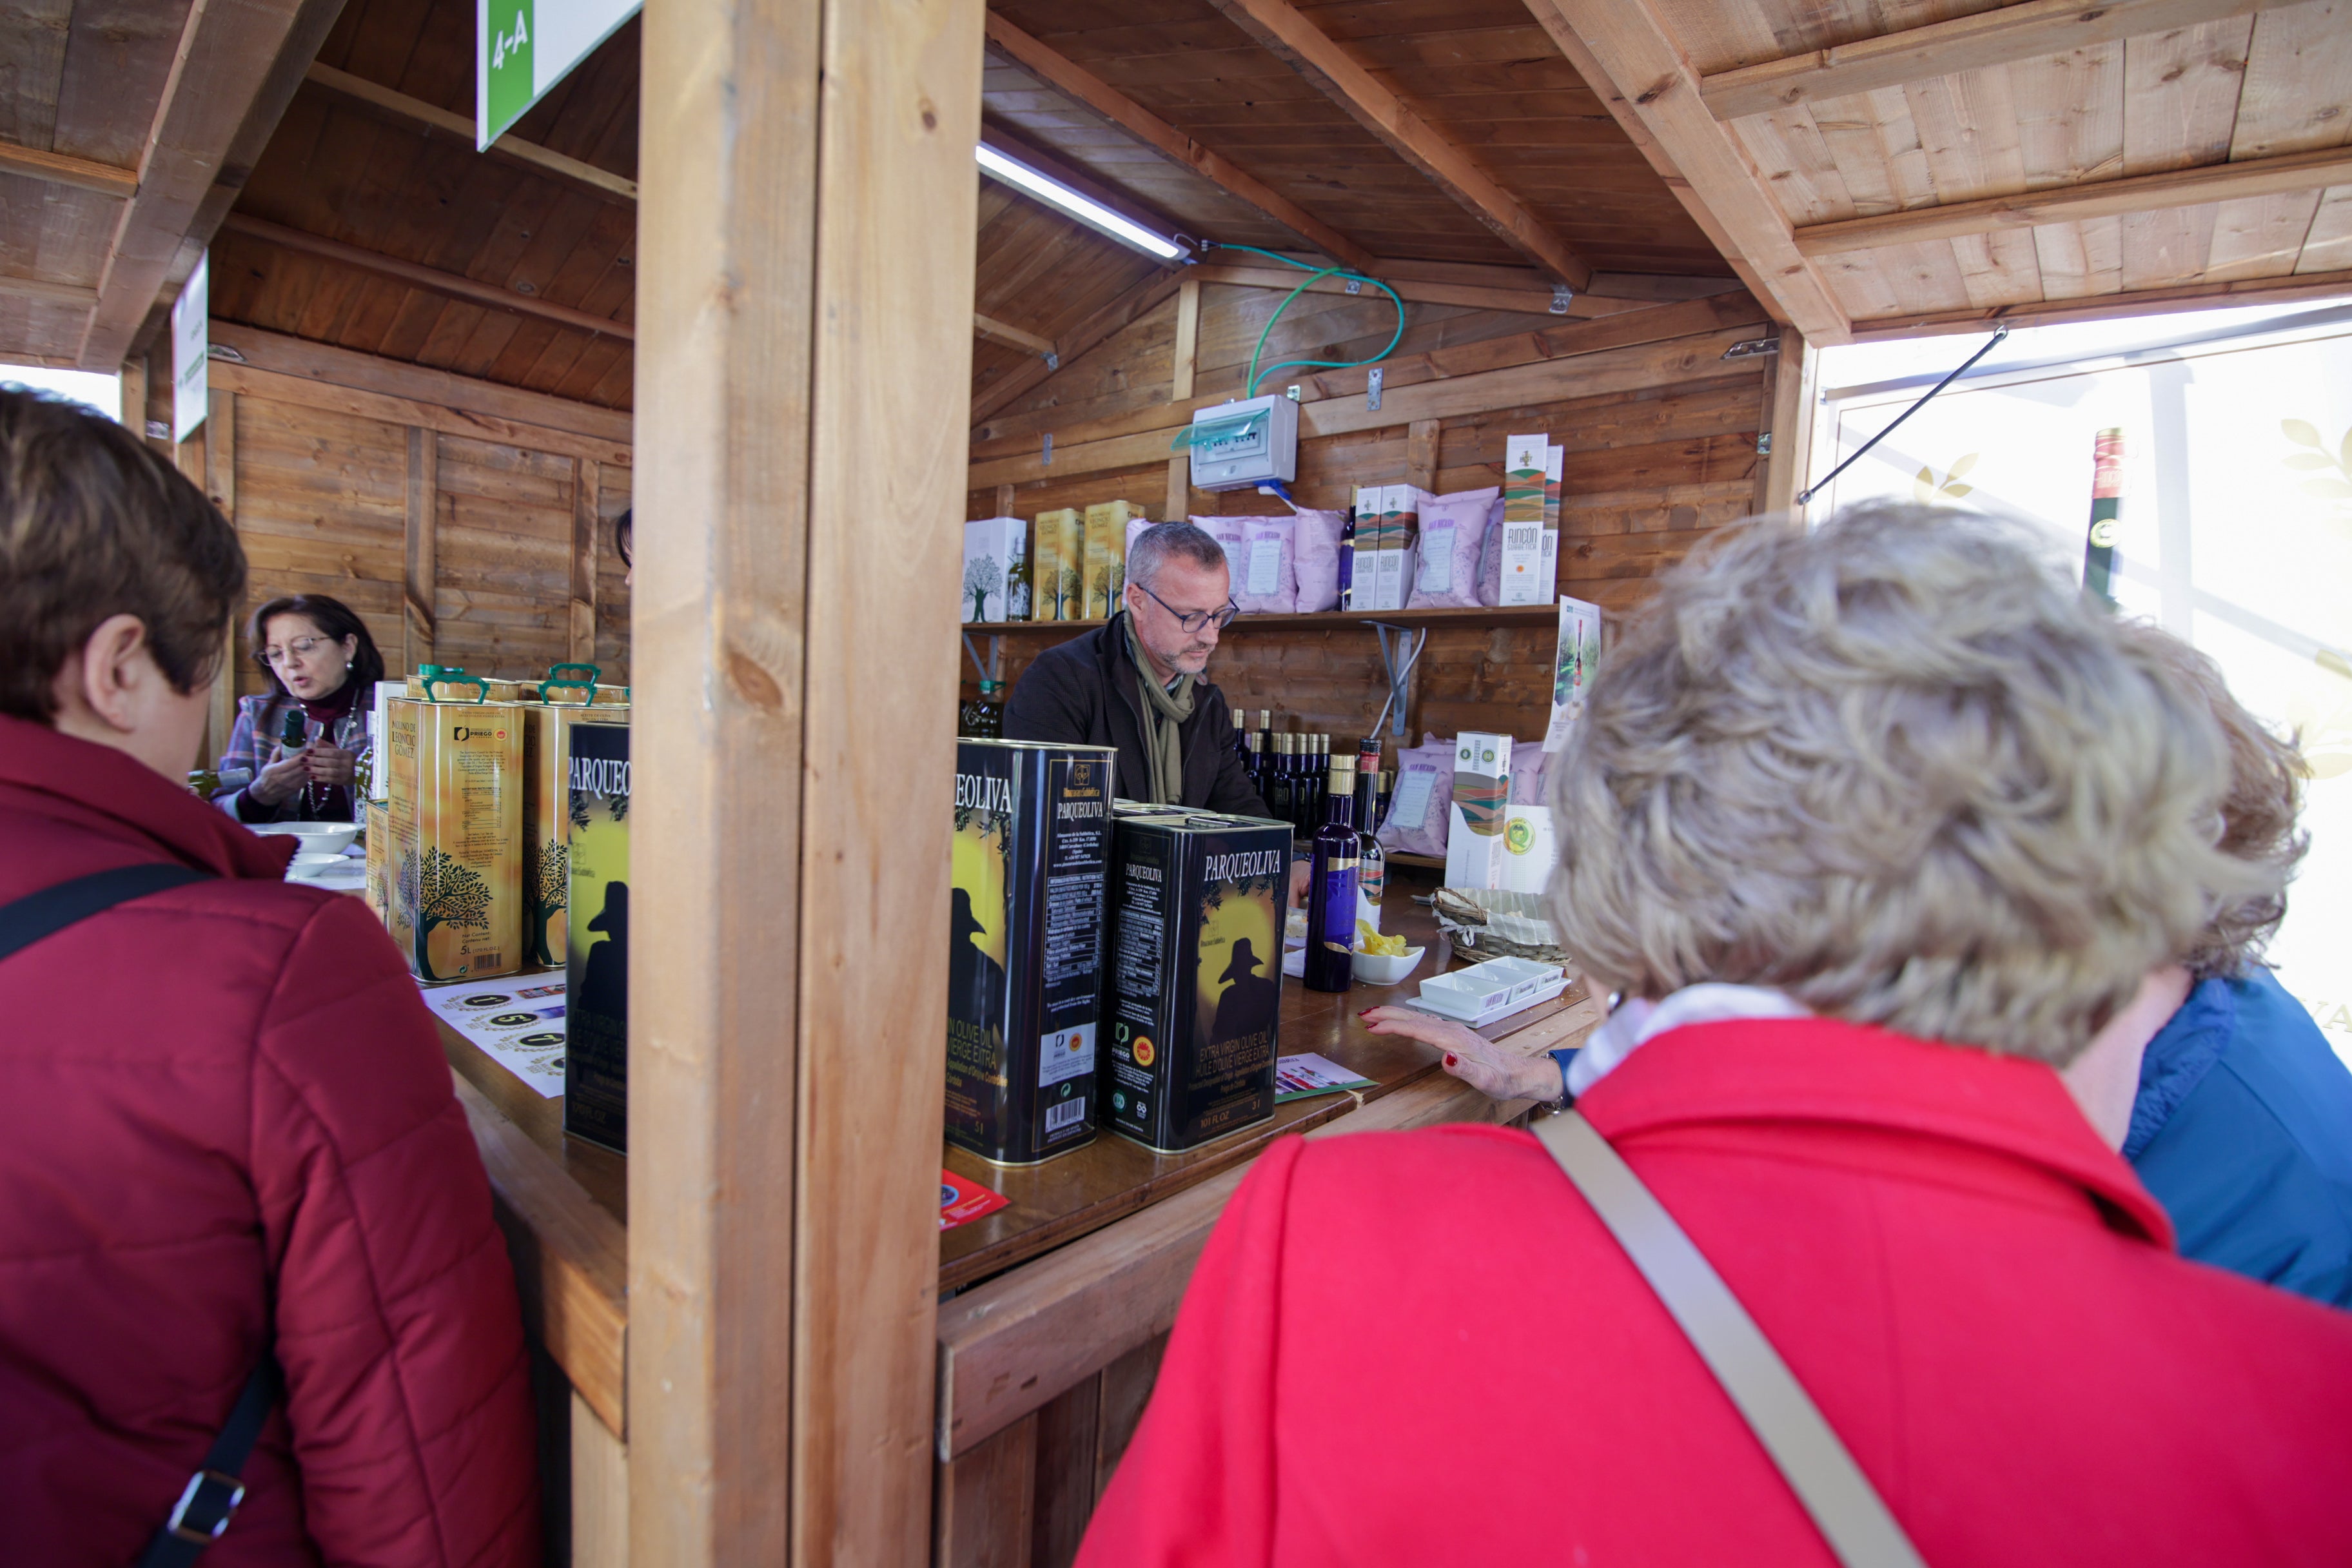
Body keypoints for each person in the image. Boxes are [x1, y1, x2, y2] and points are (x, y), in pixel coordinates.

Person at [1078, 505, 2352, 1565]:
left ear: (1627, 848)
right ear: (2108, 897)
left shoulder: (1332, 1230)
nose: (1207, 634)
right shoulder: (2309, 1417)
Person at [0, 389, 536, 1565]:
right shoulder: (270, 969)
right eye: (232, 661)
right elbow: (416, 1432)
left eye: (302, 647)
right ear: (121, 669)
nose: (271, 672)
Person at [1004, 520, 1307, 903]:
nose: (1211, 635)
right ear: (1138, 600)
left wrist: (1291, 860)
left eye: (1219, 614)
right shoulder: (1061, 682)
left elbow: (1236, 806)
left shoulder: (1205, 702)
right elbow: (1047, 833)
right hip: (1080, 915)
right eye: (1191, 616)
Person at [210, 593, 387, 823]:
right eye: (275, 654)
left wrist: (366, 776)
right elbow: (218, 813)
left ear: (347, 646)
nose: (289, 663)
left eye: (304, 646)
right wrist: (260, 794)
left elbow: (435, 805)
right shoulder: (257, 714)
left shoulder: (394, 710)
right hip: (282, 857)